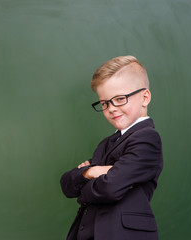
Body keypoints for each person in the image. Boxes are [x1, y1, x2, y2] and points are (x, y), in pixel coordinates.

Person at [60, 55, 163, 240]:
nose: (111, 108)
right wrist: (91, 172)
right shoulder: (106, 144)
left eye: (120, 98)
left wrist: (84, 187)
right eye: (105, 103)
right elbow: (67, 184)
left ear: (145, 97)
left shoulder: (147, 139)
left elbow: (110, 188)